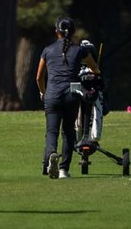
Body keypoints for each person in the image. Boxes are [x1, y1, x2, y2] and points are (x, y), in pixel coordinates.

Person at [34, 16, 101, 179]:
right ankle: (63, 169)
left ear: (56, 32)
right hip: (71, 94)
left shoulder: (47, 50)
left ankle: (52, 155)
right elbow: (95, 69)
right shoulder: (79, 50)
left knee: (52, 131)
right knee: (68, 132)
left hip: (52, 95)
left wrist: (43, 92)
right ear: (73, 32)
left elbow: (39, 77)